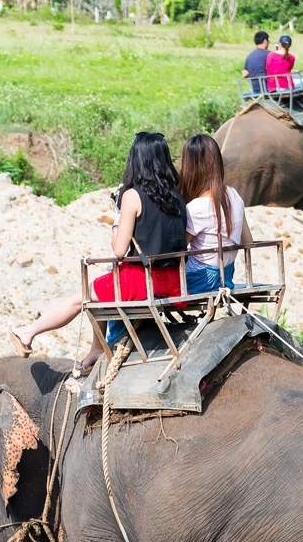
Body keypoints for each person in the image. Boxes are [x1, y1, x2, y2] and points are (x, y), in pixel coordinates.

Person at [10, 132, 187, 371]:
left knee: (81, 297)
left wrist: (117, 220)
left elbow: (119, 250)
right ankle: (95, 348)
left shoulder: (133, 196)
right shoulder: (178, 196)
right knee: (102, 288)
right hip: (174, 282)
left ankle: (28, 333)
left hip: (141, 282)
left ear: (136, 160)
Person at [179, 134, 246, 295]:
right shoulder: (234, 195)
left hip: (199, 280)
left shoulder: (196, 207)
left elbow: (177, 250)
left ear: (190, 168)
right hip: (227, 276)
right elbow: (248, 241)